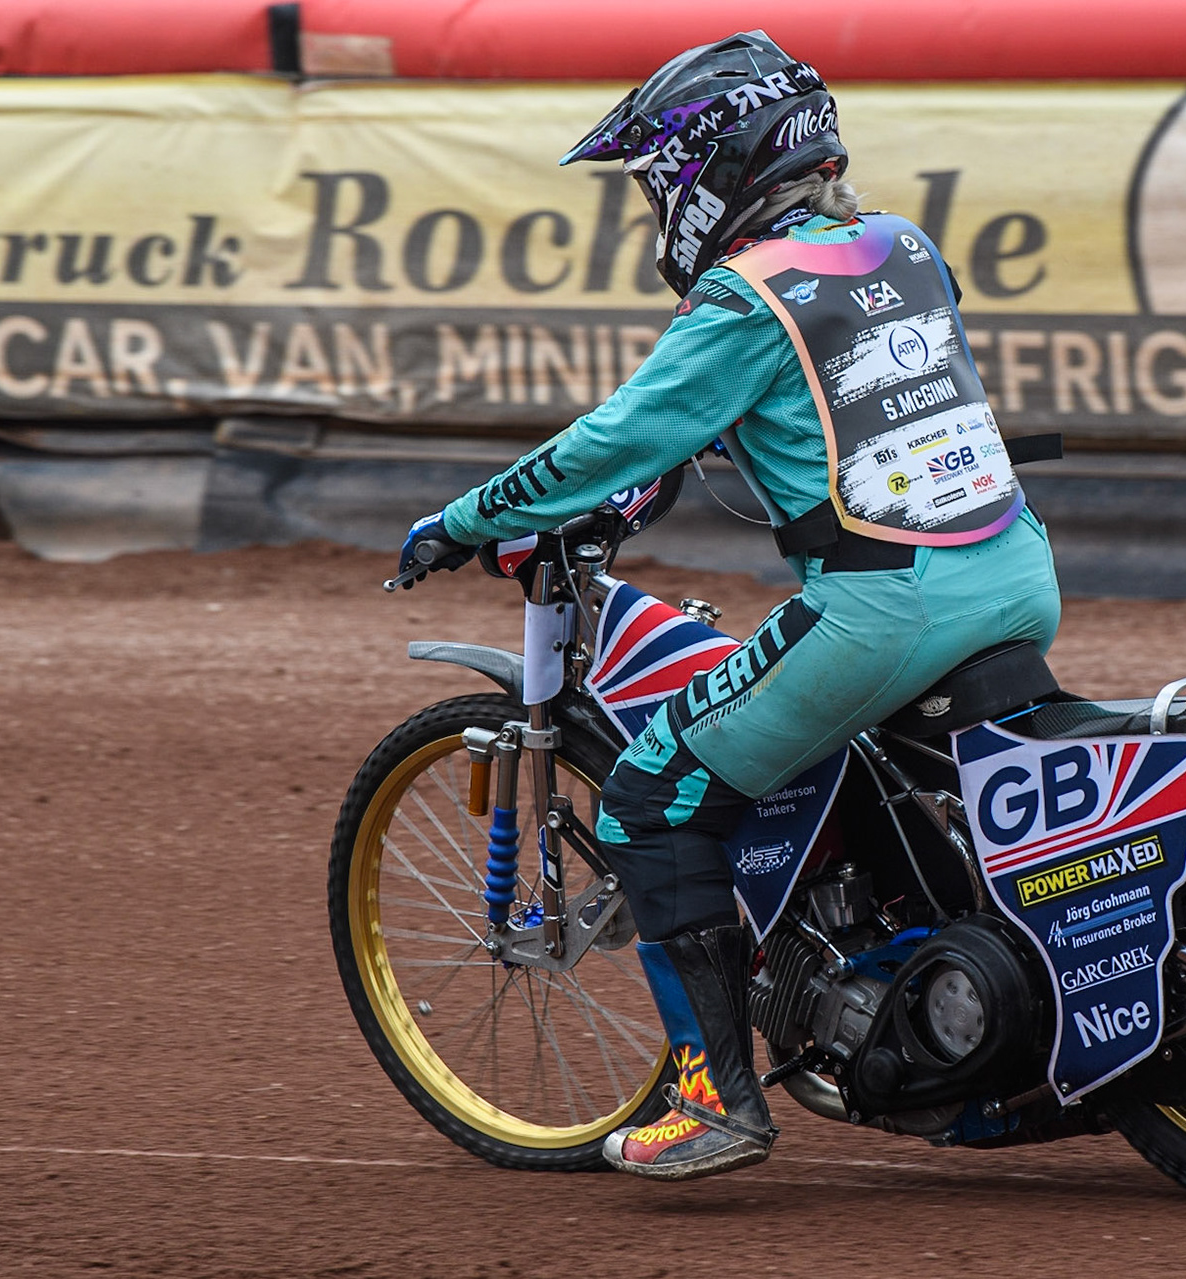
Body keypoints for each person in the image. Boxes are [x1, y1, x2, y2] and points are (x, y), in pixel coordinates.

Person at [397, 30, 1061, 1181]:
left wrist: (464, 518)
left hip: (882, 605)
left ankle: (715, 1097)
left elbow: (619, 440)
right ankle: (965, 1024)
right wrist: (639, 484)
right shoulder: (902, 245)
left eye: (661, 181)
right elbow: (786, 416)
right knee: (862, 758)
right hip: (1015, 576)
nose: (659, 206)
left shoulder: (744, 296)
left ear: (714, 167)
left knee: (653, 791)